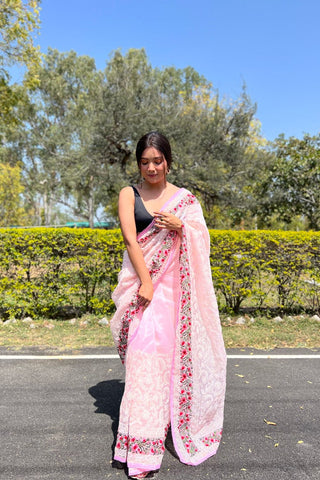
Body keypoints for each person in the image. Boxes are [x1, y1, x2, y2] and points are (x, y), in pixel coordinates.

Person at [110, 131, 226, 479]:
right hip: (145, 291)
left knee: (169, 363)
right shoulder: (128, 195)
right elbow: (131, 240)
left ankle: (165, 429)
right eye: (144, 162)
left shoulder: (185, 201)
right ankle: (140, 450)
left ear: (168, 162)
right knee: (143, 363)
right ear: (138, 165)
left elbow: (201, 240)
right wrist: (145, 282)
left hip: (177, 297)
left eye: (157, 161)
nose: (151, 168)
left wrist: (181, 227)